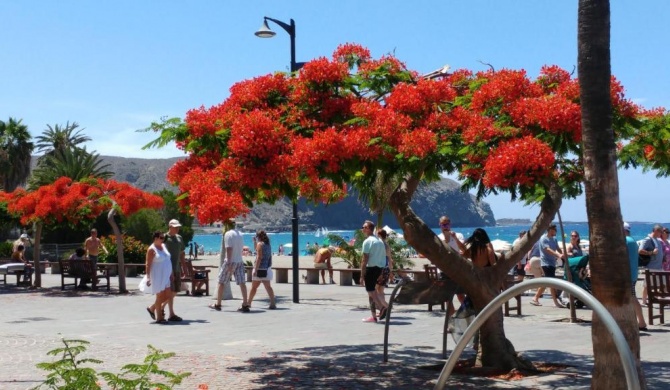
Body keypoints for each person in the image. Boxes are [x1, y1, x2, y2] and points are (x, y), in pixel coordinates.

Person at [210, 219, 249, 312]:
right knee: (242, 282)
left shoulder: (228, 234)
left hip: (230, 261)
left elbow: (229, 249)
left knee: (221, 281)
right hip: (239, 260)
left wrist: (229, 264)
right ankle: (245, 303)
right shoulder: (240, 234)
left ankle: (218, 304)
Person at [530, 224, 566, 308]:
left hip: (552, 263)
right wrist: (558, 255)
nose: (556, 232)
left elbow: (557, 248)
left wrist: (562, 254)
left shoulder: (554, 239)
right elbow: (547, 249)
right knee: (551, 282)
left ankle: (535, 298)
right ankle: (555, 302)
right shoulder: (543, 239)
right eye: (555, 230)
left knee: (547, 282)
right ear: (550, 230)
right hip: (545, 263)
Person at [360, 220, 388, 323]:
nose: (362, 229)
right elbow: (383, 257)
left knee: (370, 291)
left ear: (368, 229)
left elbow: (364, 259)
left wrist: (362, 276)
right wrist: (380, 272)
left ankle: (381, 308)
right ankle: (375, 314)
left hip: (370, 268)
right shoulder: (379, 241)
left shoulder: (367, 241)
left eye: (363, 227)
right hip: (379, 268)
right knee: (373, 291)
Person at [437, 215, 465, 316]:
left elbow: (463, 249)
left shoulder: (459, 235)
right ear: (439, 225)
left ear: (450, 224)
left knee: (461, 295)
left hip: (458, 270)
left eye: (446, 224)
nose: (445, 226)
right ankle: (452, 321)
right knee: (447, 298)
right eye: (442, 224)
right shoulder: (438, 238)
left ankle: (467, 317)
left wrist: (455, 238)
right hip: (444, 270)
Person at [143, 231, 173, 324]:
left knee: (168, 295)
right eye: (161, 238)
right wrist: (148, 277)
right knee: (160, 296)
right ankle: (159, 317)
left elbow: (168, 260)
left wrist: (172, 273)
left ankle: (152, 308)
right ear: (155, 238)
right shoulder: (151, 249)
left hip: (166, 274)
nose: (163, 239)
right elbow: (148, 264)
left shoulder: (164, 246)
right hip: (157, 275)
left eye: (164, 238)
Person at [624, 222, 648, 331]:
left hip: (626, 275)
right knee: (632, 298)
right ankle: (641, 322)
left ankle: (638, 322)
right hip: (632, 274)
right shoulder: (633, 241)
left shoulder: (625, 241)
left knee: (631, 298)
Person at [247, 230, 276, 310]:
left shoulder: (260, 244)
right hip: (267, 268)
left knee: (254, 287)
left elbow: (259, 257)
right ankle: (273, 303)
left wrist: (255, 269)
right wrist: (254, 242)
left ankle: (249, 303)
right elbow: (257, 250)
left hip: (260, 268)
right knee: (268, 287)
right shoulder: (267, 245)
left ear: (258, 237)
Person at [163, 219, 185, 322]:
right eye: (175, 227)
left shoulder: (179, 238)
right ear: (170, 226)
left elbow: (182, 254)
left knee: (175, 290)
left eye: (178, 227)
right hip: (167, 269)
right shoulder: (165, 237)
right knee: (170, 291)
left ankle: (160, 307)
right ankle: (171, 313)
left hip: (176, 268)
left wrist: (184, 267)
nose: (177, 229)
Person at [639, 224, 664, 306]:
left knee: (660, 284)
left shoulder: (657, 240)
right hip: (651, 266)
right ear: (656, 231)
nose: (662, 233)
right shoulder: (648, 240)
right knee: (647, 285)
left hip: (658, 266)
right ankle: (644, 301)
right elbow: (640, 250)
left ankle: (656, 298)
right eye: (661, 231)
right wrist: (651, 252)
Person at [376, 229, 394, 316]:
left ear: (379, 235)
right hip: (386, 269)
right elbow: (390, 259)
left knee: (374, 291)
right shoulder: (387, 245)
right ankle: (383, 310)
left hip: (380, 269)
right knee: (381, 291)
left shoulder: (380, 245)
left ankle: (386, 307)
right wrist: (390, 272)